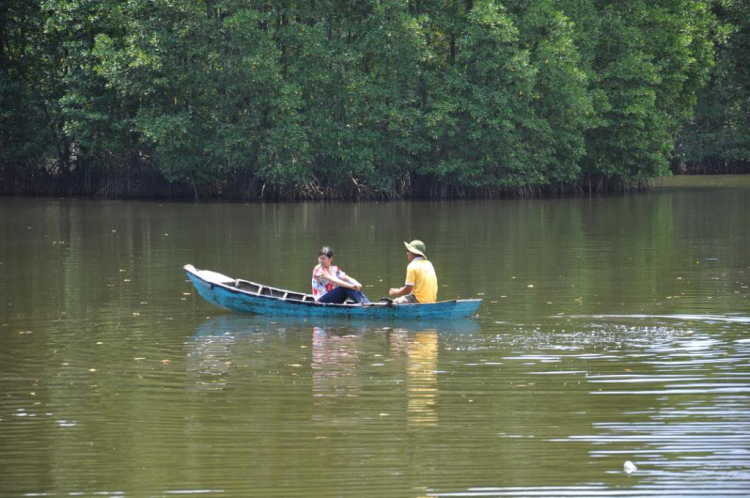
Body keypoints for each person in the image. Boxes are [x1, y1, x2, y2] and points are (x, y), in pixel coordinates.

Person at [388, 240, 438, 304]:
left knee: (393, 303)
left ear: (413, 252)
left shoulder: (412, 266)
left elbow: (408, 289)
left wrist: (396, 291)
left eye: (408, 251)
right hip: (431, 301)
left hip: (419, 300)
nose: (407, 253)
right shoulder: (428, 263)